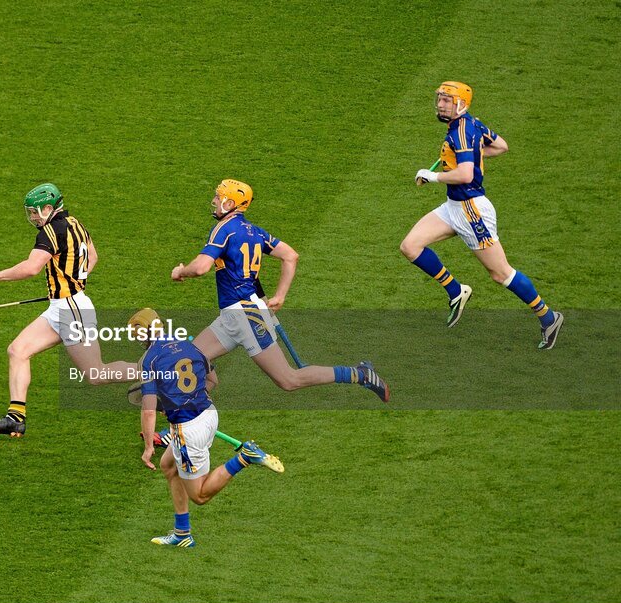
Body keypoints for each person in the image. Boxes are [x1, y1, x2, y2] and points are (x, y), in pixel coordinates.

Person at [170, 179, 390, 402]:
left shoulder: (223, 229)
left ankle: (359, 374)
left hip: (244, 314)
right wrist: (280, 296)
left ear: (229, 203)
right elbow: (290, 256)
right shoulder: (255, 232)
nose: (215, 201)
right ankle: (182, 411)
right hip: (235, 314)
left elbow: (200, 267)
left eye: (219, 197)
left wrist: (180, 272)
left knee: (289, 379)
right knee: (188, 360)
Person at [406, 81, 563, 349]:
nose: (441, 104)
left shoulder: (461, 133)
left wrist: (432, 175)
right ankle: (456, 292)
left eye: (447, 100)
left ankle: (548, 317)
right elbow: (501, 146)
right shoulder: (470, 124)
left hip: (471, 211)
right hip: (453, 206)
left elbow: (466, 174)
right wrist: (472, 156)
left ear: (461, 104)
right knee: (410, 246)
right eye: (440, 99)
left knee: (501, 273)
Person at [0, 183, 137, 436]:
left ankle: (157, 368)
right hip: (63, 307)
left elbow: (31, 268)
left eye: (34, 212)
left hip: (72, 310)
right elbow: (92, 257)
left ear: (49, 208)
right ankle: (16, 417)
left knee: (96, 374)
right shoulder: (76, 224)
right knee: (18, 351)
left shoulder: (50, 232)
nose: (32, 217)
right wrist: (72, 281)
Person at [130, 308, 269, 548]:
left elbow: (149, 410)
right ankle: (182, 534)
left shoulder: (149, 360)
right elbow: (212, 381)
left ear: (142, 335)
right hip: (209, 415)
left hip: (188, 430)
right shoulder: (191, 346)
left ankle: (245, 457)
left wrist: (147, 447)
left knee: (200, 495)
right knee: (168, 465)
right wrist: (183, 398)